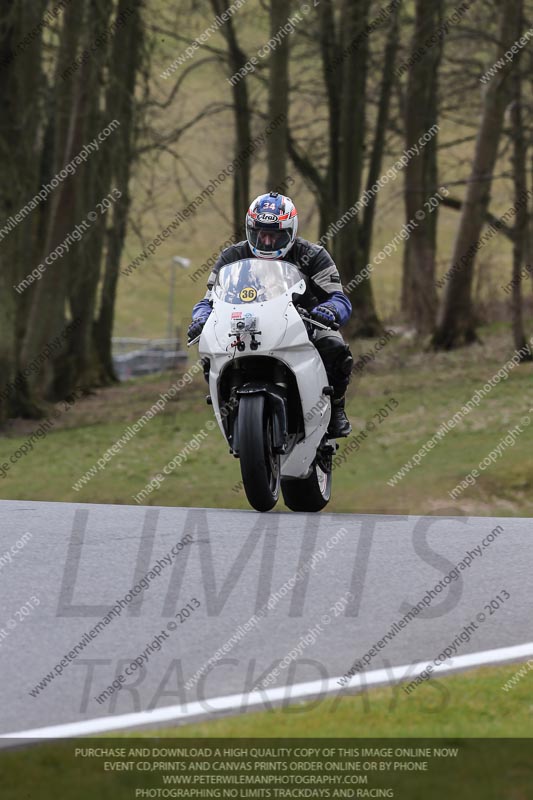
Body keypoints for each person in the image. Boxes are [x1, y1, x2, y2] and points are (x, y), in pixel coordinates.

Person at [187, 191, 353, 437]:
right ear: (250, 230)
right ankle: (227, 405)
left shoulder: (314, 256)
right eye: (260, 234)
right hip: (243, 327)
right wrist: (201, 319)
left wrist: (328, 310)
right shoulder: (232, 257)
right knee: (210, 352)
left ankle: (336, 407)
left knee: (335, 347)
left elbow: (339, 298)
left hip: (303, 325)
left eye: (274, 235)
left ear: (290, 232)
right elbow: (208, 300)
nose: (266, 241)